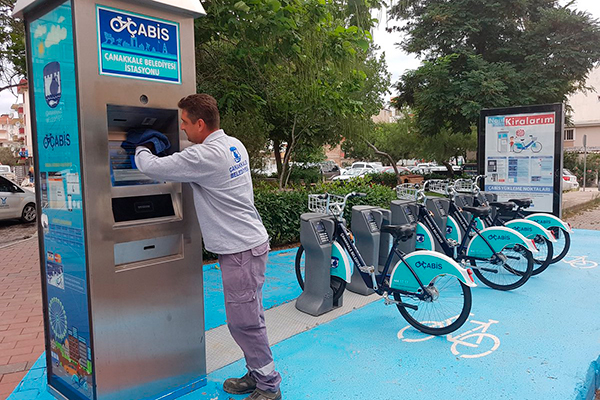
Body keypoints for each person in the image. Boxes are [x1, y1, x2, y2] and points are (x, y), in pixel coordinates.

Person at [133, 94, 282, 400]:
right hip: (249, 245)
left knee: (244, 323)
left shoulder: (205, 157)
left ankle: (269, 386)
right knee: (251, 315)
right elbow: (193, 161)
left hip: (240, 251)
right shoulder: (233, 145)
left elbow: (150, 167)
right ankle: (257, 372)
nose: (183, 130)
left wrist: (139, 145)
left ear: (200, 123)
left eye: (185, 123)